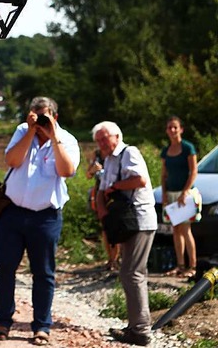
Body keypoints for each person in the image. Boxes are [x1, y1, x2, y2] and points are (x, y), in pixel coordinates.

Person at [0, 96, 79, 345]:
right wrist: (30, 132)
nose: (40, 120)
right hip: (13, 213)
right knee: (5, 269)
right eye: (36, 115)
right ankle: (2, 321)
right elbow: (12, 161)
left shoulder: (68, 140)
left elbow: (67, 171)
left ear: (55, 116)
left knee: (43, 273)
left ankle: (42, 326)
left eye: (45, 116)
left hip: (46, 217)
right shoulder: (22, 131)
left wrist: (53, 137)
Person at [93, 121, 156, 347]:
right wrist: (102, 210)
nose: (101, 143)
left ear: (117, 136)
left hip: (139, 220)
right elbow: (102, 189)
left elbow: (140, 180)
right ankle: (135, 326)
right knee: (129, 272)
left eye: (104, 138)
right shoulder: (109, 160)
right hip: (125, 222)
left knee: (132, 273)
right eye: (98, 140)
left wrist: (115, 187)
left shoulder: (130, 153)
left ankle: (141, 330)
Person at [160, 116, 200, 279]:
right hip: (171, 193)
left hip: (185, 194)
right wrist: (164, 192)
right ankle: (180, 265)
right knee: (175, 230)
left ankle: (193, 266)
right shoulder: (166, 151)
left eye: (175, 127)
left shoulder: (187, 148)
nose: (172, 130)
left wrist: (185, 192)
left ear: (181, 129)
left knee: (185, 229)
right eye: (169, 127)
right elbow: (164, 174)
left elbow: (194, 171)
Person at [85, 148, 120, 271]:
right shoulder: (97, 154)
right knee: (105, 227)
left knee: (116, 227)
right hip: (100, 194)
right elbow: (88, 175)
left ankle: (116, 258)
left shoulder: (119, 154)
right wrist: (93, 170)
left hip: (114, 194)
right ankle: (110, 259)